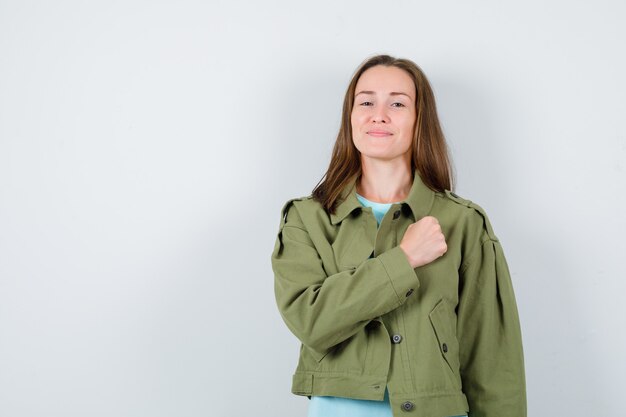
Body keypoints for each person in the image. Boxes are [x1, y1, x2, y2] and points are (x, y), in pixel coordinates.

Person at [271, 54, 526, 417]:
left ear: (420, 120)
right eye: (366, 101)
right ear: (351, 117)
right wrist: (404, 260)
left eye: (397, 103)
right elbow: (311, 321)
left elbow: (493, 361)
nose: (379, 114)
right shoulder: (307, 218)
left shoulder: (464, 222)